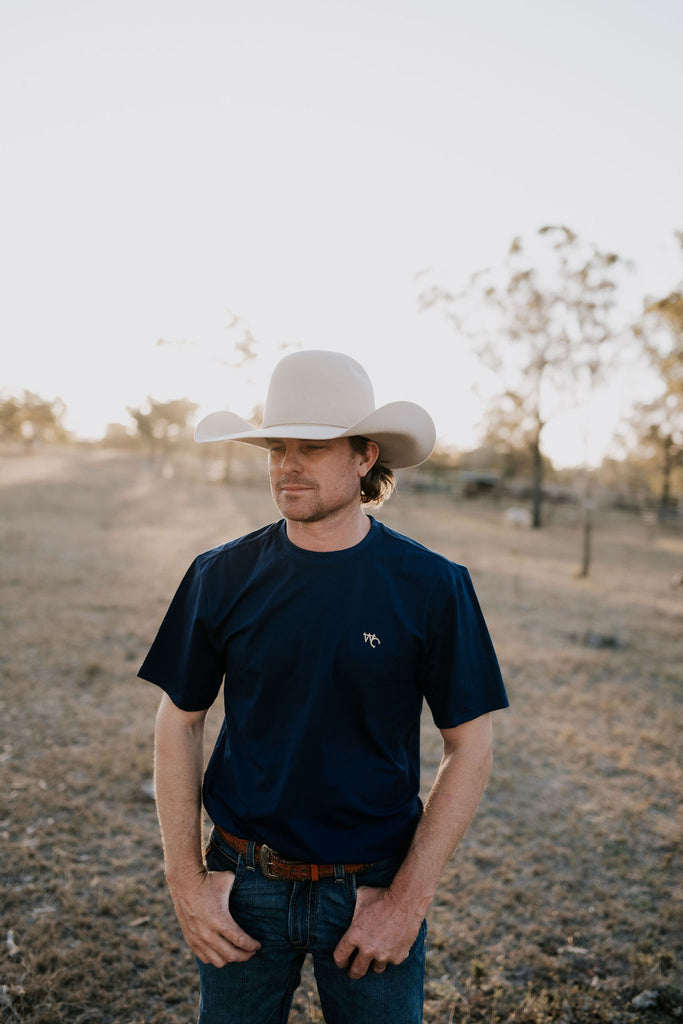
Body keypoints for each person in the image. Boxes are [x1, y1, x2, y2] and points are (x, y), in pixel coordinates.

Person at [139, 349, 509, 1024]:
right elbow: (178, 720)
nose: (287, 465)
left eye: (310, 447)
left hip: (371, 888)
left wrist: (407, 901)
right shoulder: (219, 575)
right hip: (243, 886)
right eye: (277, 447)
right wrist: (185, 882)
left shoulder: (431, 586)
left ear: (365, 456)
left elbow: (472, 746)